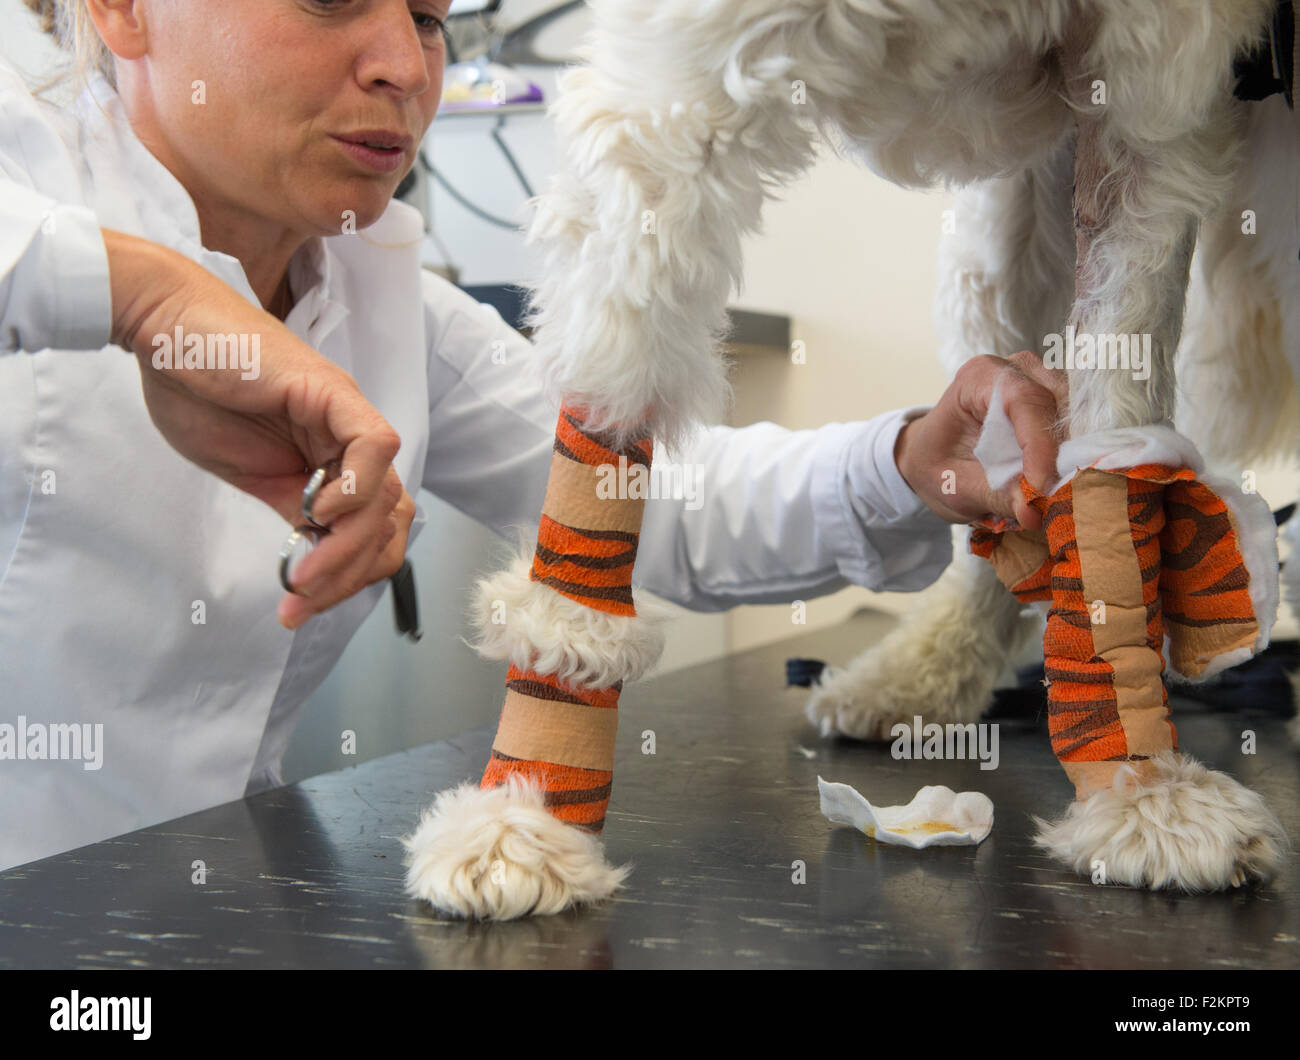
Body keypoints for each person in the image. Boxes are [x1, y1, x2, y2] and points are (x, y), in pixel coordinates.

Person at [0, 0, 1064, 872]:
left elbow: (645, 504)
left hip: (220, 890)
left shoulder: (387, 305)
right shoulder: (30, 177)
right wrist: (143, 297)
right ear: (123, 11)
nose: (403, 68)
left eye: (426, 18)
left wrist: (907, 462)